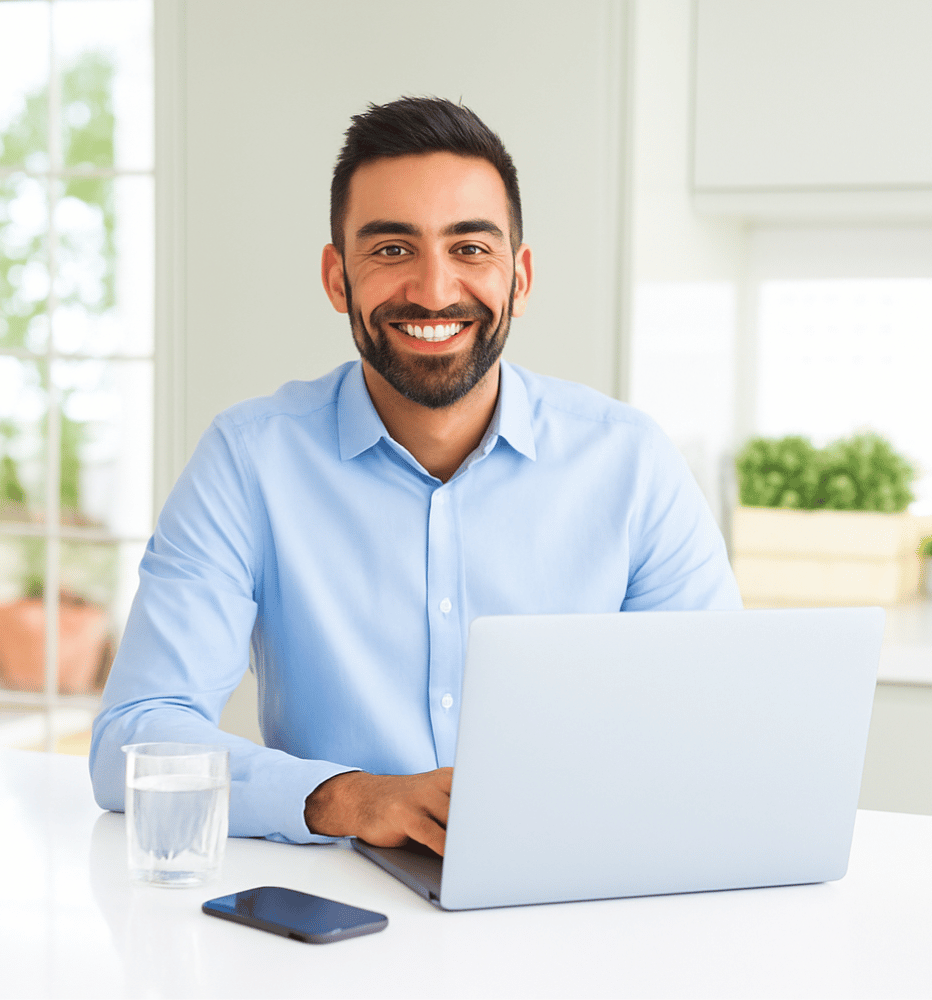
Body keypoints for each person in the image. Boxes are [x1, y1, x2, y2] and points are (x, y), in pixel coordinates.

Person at [90, 97, 742, 855]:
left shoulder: (632, 466)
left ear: (519, 278)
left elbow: (716, 725)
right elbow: (134, 741)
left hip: (576, 896)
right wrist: (348, 798)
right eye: (393, 250)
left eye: (470, 249)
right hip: (340, 912)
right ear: (338, 279)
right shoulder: (250, 460)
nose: (434, 291)